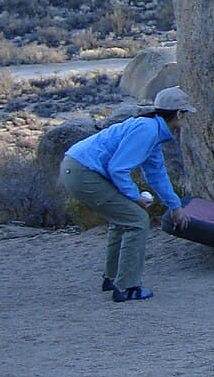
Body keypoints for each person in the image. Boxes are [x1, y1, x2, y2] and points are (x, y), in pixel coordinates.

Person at [59, 87, 194, 301]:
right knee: (137, 219)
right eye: (185, 114)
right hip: (82, 172)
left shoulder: (153, 133)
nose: (185, 120)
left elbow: (157, 175)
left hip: (77, 167)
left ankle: (112, 278)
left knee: (123, 219)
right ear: (178, 114)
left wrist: (175, 207)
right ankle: (127, 287)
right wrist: (135, 197)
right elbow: (118, 168)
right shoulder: (147, 130)